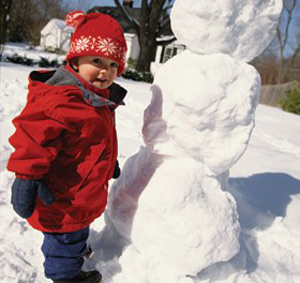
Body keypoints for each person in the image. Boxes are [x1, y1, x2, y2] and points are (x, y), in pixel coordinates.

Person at [7, 10, 127, 283]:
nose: (104, 71)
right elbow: (33, 139)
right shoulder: (61, 100)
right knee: (64, 236)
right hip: (62, 196)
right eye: (96, 60)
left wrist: (110, 163)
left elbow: (97, 139)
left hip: (81, 190)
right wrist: (26, 177)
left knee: (75, 231)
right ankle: (66, 275)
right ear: (75, 60)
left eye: (112, 65)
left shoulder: (96, 99)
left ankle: (74, 250)